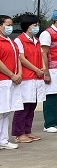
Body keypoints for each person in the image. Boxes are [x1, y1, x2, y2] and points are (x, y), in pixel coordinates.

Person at [13, 15, 45, 143]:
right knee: (23, 107)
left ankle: (27, 131)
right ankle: (19, 134)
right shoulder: (19, 40)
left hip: (37, 77)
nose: (37, 27)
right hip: (27, 77)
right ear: (27, 26)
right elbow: (22, 59)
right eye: (34, 25)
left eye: (38, 25)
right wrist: (36, 69)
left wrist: (43, 68)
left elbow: (41, 55)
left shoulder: (37, 40)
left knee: (32, 106)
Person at [0, 15, 23, 150]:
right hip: (2, 80)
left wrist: (19, 74)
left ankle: (3, 140)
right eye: (7, 25)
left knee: (5, 112)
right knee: (1, 111)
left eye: (11, 25)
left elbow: (18, 58)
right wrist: (11, 74)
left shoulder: (11, 41)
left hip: (11, 81)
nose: (10, 27)